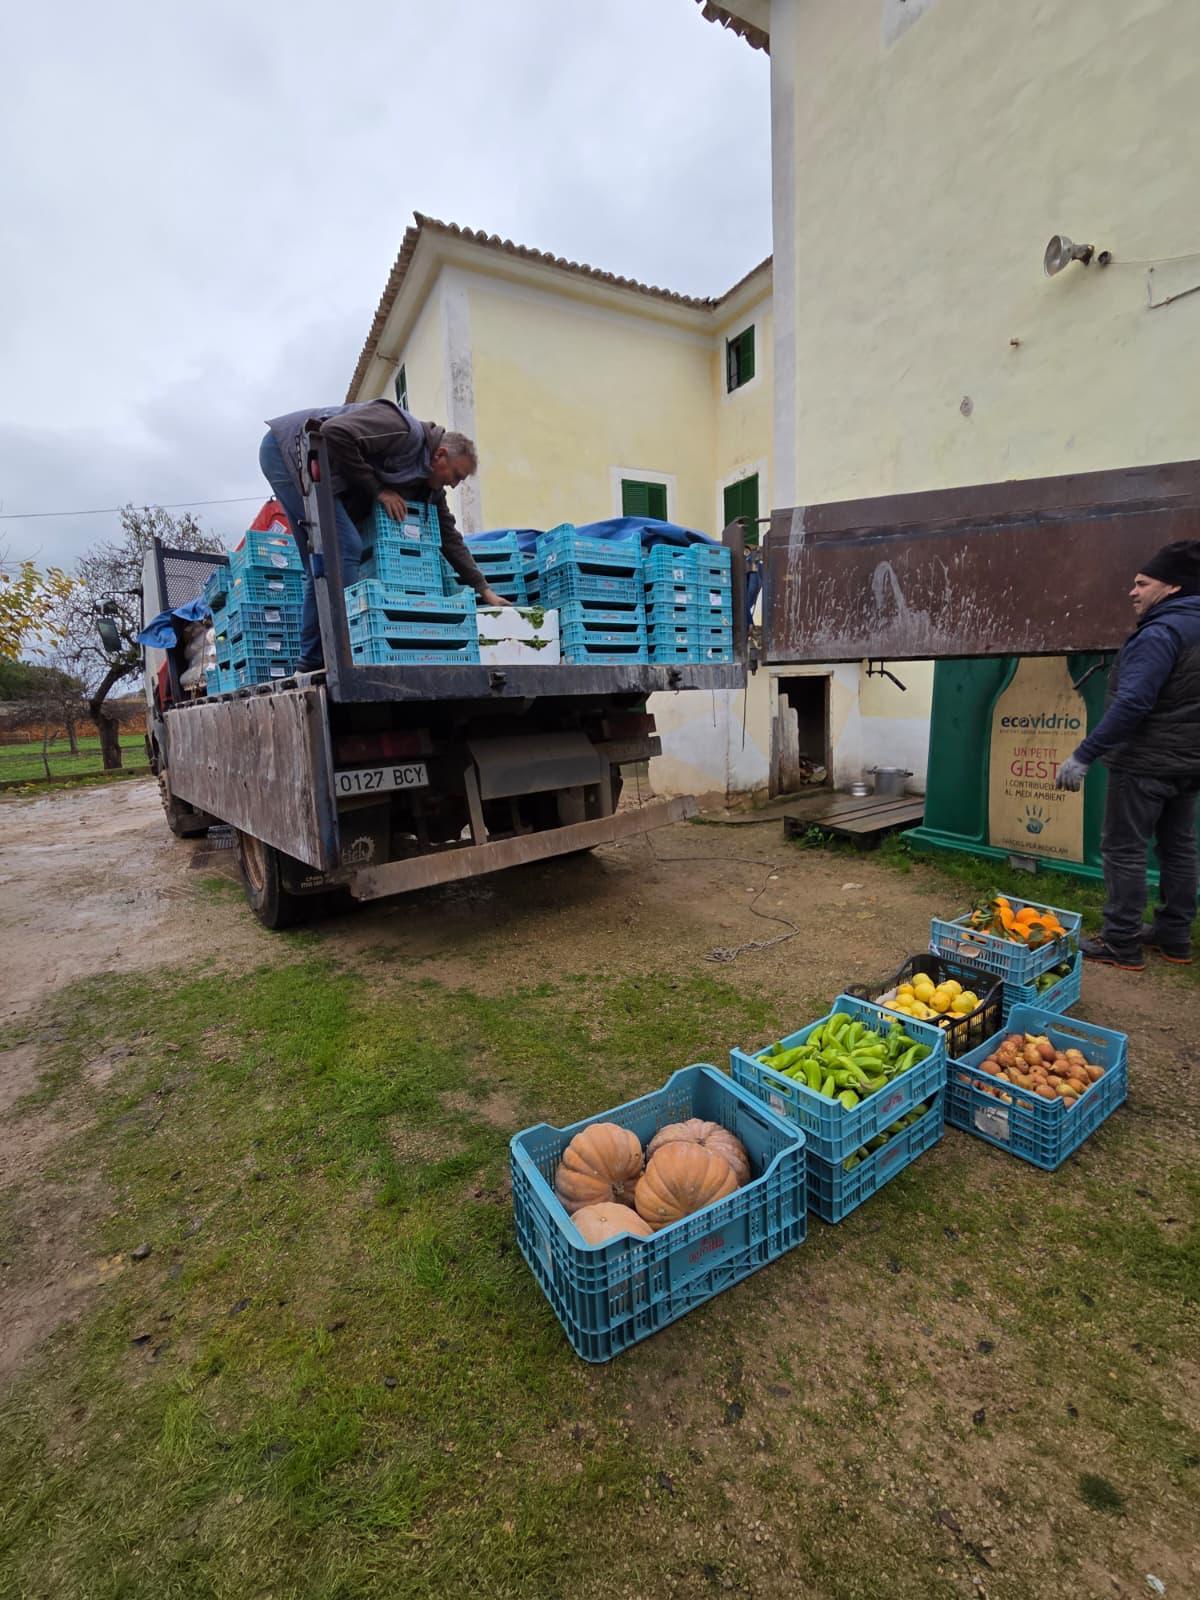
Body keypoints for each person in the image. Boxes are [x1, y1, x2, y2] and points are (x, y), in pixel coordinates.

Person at [259, 398, 510, 669]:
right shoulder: (401, 428)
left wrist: (484, 589)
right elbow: (335, 433)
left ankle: (310, 663)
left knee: (320, 565)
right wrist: (379, 490)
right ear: (440, 455)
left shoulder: (429, 487)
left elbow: (448, 536)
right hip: (288, 453)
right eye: (457, 475)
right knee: (344, 548)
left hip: (315, 469)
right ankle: (338, 658)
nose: (455, 484)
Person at [1055, 539, 1200, 969]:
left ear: (1171, 587)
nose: (1132, 592)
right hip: (1190, 762)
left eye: (1142, 583)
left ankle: (1121, 941)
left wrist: (1084, 754)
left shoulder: (1160, 633)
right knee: (1179, 849)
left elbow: (1134, 702)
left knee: (1124, 848)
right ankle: (1175, 938)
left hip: (1145, 762)